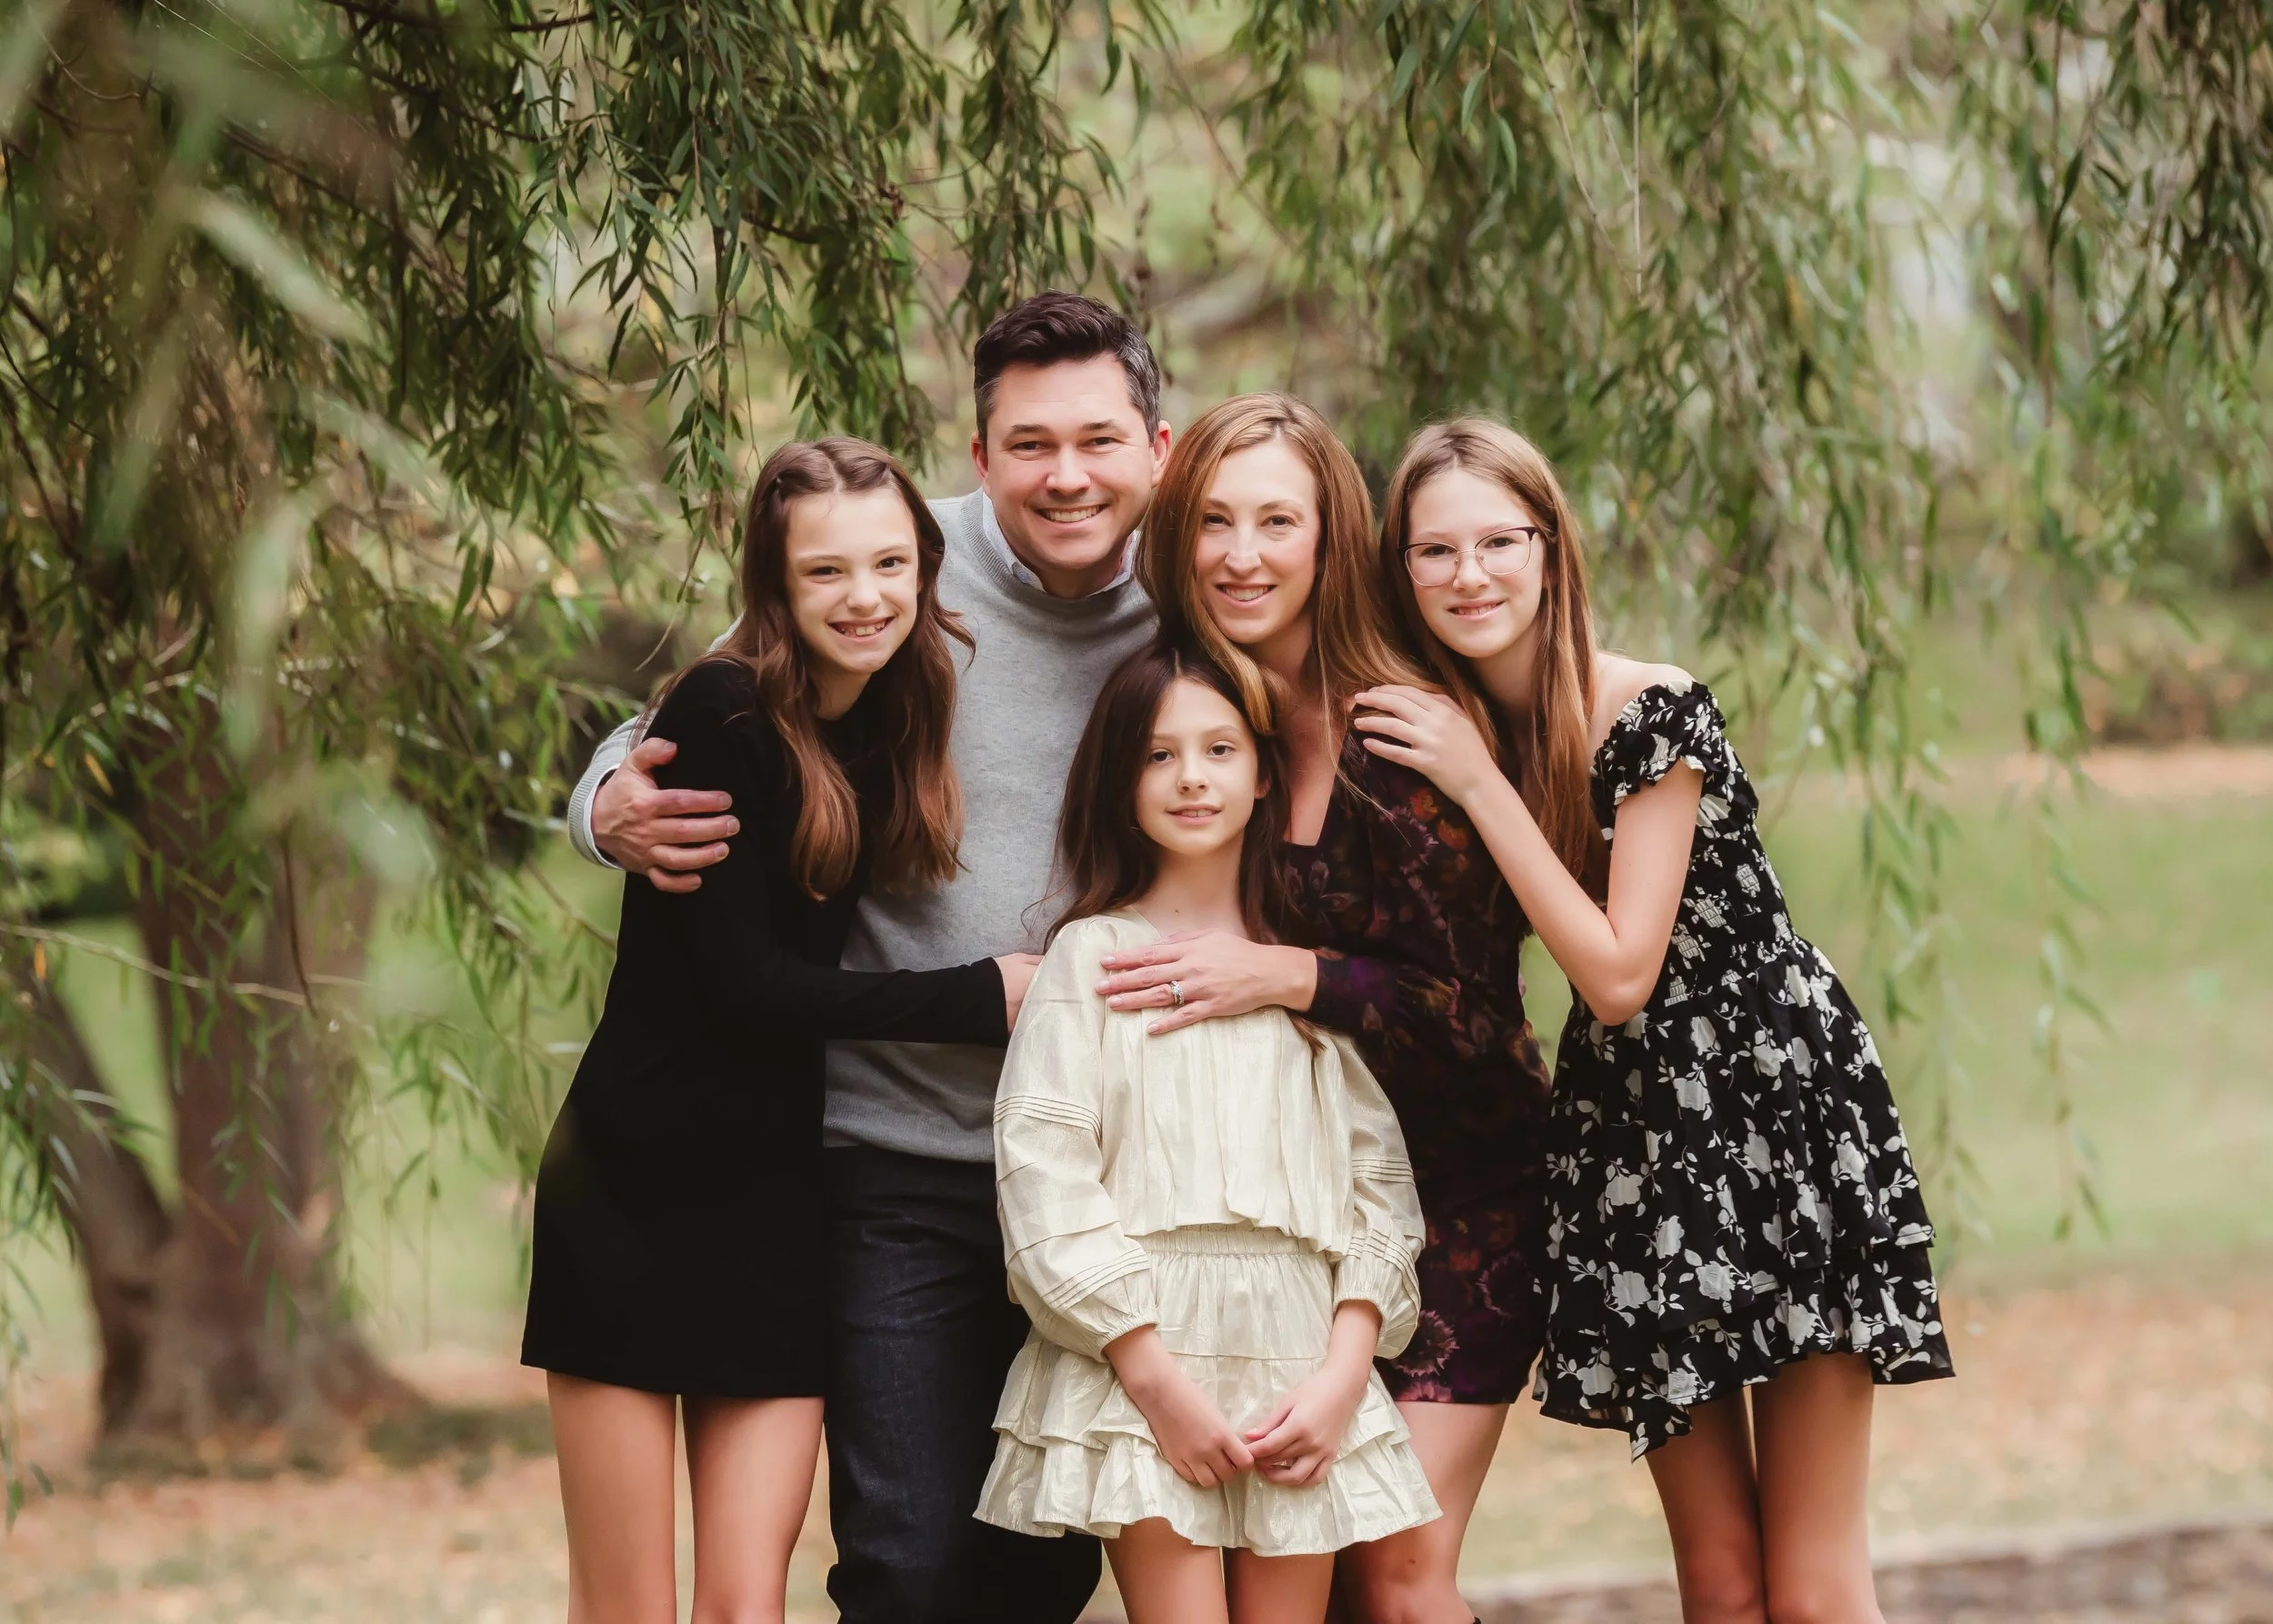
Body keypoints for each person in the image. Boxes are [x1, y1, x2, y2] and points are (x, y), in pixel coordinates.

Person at [561, 293, 1167, 1623]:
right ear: (981, 449)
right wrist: (603, 800)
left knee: (1039, 1561)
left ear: (1156, 446)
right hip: (871, 1157)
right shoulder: (894, 558)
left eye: (1098, 439)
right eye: (1028, 442)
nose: (1065, 474)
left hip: (1078, 1155)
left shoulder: (1208, 589)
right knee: (902, 1563)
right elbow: (707, 707)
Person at [1350, 417, 1955, 1622]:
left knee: (1812, 1575)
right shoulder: (1454, 731)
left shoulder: (1652, 712)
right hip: (1634, 1139)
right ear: (1399, 571)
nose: (1470, 574)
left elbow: (1625, 970)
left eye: (1498, 541)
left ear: (1551, 548)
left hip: (1771, 1110)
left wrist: (1478, 780)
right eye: (1434, 550)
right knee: (1722, 1583)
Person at [524, 437, 1043, 1624]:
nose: (864, 596)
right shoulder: (723, 707)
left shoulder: (889, 708)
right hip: (635, 1185)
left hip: (777, 1202)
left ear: (925, 567)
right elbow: (747, 991)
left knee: (747, 1605)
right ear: (775, 584)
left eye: (890, 564)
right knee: (629, 1608)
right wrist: (984, 995)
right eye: (826, 573)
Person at [1095, 395, 1554, 1624]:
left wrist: (1289, 975)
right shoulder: (1204, 720)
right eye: (1216, 521)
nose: (1243, 554)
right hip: (1300, 1217)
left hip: (1463, 1202)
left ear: (1330, 538)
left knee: (1401, 1581)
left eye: (1277, 521)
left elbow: (1474, 1014)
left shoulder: (1401, 730)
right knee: (1315, 1579)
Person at [979, 646, 1439, 1624]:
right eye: (1158, 755)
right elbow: (1043, 1174)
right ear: (1119, 780)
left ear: (1262, 771)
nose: (1192, 776)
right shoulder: (1090, 956)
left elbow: (1378, 1185)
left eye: (1219, 747)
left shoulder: (1304, 974)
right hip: (1144, 1357)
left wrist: (1344, 1369)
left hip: (1299, 1357)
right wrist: (1153, 1381)